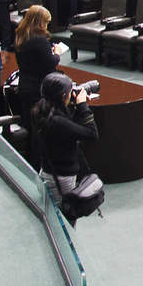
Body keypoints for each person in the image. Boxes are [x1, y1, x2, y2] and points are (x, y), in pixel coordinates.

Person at [30, 72, 98, 209]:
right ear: (63, 96)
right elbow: (92, 134)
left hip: (48, 171)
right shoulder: (57, 122)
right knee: (66, 215)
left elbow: (69, 128)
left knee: (51, 212)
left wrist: (72, 105)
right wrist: (83, 105)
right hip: (62, 178)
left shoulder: (41, 110)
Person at [15, 5, 61, 123]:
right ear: (40, 22)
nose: (46, 26)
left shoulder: (21, 36)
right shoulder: (40, 40)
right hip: (38, 89)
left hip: (24, 86)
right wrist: (57, 54)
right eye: (46, 22)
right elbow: (50, 64)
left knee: (28, 122)